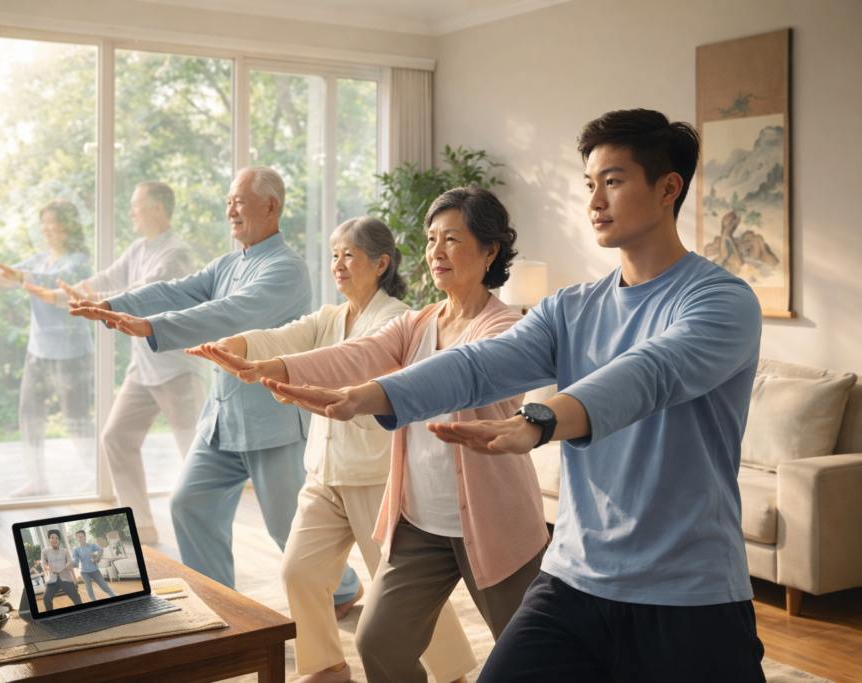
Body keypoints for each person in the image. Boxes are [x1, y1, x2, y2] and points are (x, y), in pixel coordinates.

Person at [268, 110, 767, 682]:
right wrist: (368, 396)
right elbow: (479, 363)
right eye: (589, 184)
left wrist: (540, 419)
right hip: (574, 579)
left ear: (668, 188)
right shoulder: (569, 308)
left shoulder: (722, 302)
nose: (595, 201)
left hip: (689, 592)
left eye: (614, 181)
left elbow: (647, 373)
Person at [226, 186, 548, 683]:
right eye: (431, 238)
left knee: (529, 657)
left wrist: (363, 396)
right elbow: (355, 353)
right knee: (377, 641)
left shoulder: (507, 327)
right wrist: (275, 366)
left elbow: (453, 376)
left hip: (493, 523)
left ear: (490, 251)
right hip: (422, 524)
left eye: (452, 239)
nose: (436, 251)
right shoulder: (419, 322)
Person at [190, 216, 477, 683]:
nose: (337, 265)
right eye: (334, 255)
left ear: (380, 263)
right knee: (299, 572)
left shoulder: (396, 320)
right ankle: (326, 667)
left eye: (349, 255)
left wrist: (273, 366)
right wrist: (233, 346)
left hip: (374, 477)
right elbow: (283, 337)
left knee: (399, 591)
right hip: (323, 475)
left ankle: (449, 674)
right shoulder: (329, 317)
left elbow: (344, 365)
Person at [68, 166, 362, 612]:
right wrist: (112, 305)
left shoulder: (288, 269)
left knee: (289, 529)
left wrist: (150, 326)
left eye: (239, 201)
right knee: (190, 504)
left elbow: (230, 314)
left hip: (272, 421)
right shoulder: (228, 263)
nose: (230, 210)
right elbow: (175, 290)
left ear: (270, 206)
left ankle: (343, 589)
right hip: (222, 420)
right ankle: (222, 605)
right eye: (228, 201)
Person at [24, 181, 206, 543]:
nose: (130, 212)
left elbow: (144, 295)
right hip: (143, 367)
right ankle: (142, 527)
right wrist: (63, 295)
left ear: (157, 209)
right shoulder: (139, 248)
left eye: (136, 205)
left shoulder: (176, 254)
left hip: (176, 370)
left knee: (197, 455)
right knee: (117, 437)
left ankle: (203, 531)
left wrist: (93, 302)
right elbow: (105, 280)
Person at [0, 199, 95, 498]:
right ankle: (37, 481)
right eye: (43, 222)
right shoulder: (39, 259)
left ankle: (102, 475)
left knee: (76, 421)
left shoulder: (78, 261)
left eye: (51, 222)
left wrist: (19, 275)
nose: (45, 228)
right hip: (38, 352)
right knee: (30, 416)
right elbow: (8, 277)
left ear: (69, 225)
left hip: (71, 354)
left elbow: (51, 282)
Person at [41, 529, 83, 610]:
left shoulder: (65, 551)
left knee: (75, 595)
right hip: (52, 580)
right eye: (52, 538)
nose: (54, 540)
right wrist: (47, 567)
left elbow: (69, 563)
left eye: (56, 538)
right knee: (46, 598)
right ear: (49, 539)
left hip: (65, 578)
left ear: (59, 540)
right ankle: (50, 616)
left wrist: (72, 577)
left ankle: (82, 612)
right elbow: (43, 561)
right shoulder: (45, 551)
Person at [72, 529, 117, 601]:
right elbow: (75, 562)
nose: (81, 538)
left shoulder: (92, 545)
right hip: (84, 572)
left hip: (95, 570)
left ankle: (114, 596)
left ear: (85, 537)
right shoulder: (76, 550)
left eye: (82, 536)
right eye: (79, 537)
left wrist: (98, 559)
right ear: (76, 539)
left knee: (104, 586)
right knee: (89, 590)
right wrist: (73, 564)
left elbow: (101, 550)